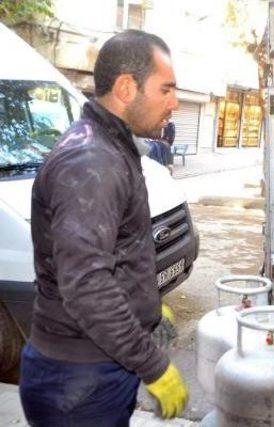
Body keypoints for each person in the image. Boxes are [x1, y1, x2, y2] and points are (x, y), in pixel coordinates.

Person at [20, 30, 187, 425]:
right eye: (166, 89)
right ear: (127, 87)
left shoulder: (110, 146)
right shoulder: (92, 161)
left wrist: (144, 304)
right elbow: (86, 284)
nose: (175, 103)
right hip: (79, 383)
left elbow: (115, 251)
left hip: (93, 372)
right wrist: (154, 366)